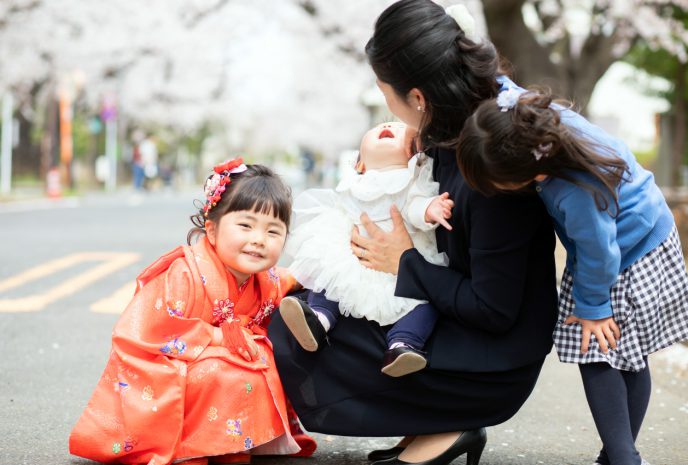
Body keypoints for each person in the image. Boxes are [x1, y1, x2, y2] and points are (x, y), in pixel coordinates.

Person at [267, 2, 559, 465]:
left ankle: (453, 419)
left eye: (386, 93)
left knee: (289, 338)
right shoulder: (441, 136)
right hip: (451, 317)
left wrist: (403, 261)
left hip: (490, 359)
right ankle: (433, 423)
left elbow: (494, 310)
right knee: (299, 318)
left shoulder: (489, 165)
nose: (387, 107)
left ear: (419, 98)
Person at [457, 87, 688, 465]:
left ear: (534, 173)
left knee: (600, 350)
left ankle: (622, 457)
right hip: (639, 229)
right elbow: (506, 87)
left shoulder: (575, 191)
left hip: (629, 252)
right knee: (625, 352)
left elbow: (600, 252)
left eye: (497, 186)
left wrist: (594, 307)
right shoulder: (528, 117)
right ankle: (619, 455)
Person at [69, 158, 316, 465]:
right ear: (211, 231)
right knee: (219, 366)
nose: (258, 240)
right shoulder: (184, 274)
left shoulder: (267, 281)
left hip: (221, 374)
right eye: (245, 225)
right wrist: (215, 335)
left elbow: (296, 278)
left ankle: (231, 444)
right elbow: (149, 331)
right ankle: (188, 447)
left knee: (262, 359)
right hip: (175, 370)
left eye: (273, 231)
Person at [279, 121, 453, 377]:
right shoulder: (353, 183)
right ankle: (318, 319)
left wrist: (429, 210)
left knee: (426, 304)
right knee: (329, 274)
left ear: (412, 153)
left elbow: (415, 205)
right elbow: (342, 212)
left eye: (396, 127)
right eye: (380, 127)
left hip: (400, 271)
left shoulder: (413, 178)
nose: (388, 126)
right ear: (359, 164)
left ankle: (403, 345)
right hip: (355, 262)